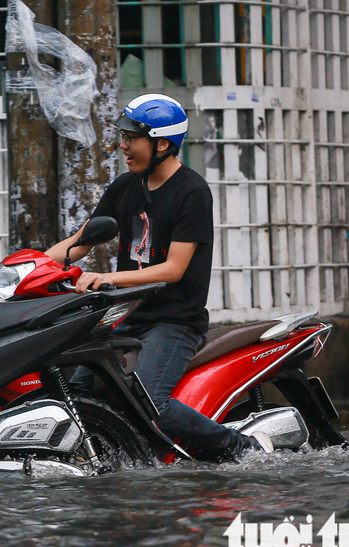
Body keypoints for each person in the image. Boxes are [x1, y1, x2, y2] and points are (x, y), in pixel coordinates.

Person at [46, 94, 273, 461]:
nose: (123, 146)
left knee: (150, 402)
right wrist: (21, 267)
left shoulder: (192, 192)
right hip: (125, 318)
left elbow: (174, 269)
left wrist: (109, 278)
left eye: (131, 138)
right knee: (75, 399)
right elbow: (79, 242)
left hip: (174, 321)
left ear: (162, 144)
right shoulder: (124, 187)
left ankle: (243, 448)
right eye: (123, 137)